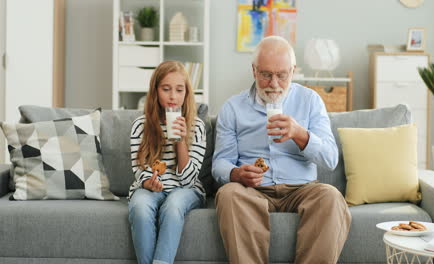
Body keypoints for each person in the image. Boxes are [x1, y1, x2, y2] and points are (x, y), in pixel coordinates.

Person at [212, 36, 351, 264]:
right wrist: (237, 174)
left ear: (293, 71)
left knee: (331, 197)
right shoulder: (233, 108)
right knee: (228, 194)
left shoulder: (310, 101)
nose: (274, 84)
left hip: (302, 188)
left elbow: (330, 158)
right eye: (266, 74)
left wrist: (300, 134)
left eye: (281, 75)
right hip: (253, 190)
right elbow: (220, 163)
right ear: (254, 71)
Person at [128, 61, 206, 264]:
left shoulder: (196, 126)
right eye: (166, 89)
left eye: (179, 90)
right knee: (140, 206)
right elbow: (140, 169)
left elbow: (189, 180)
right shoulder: (140, 125)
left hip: (185, 189)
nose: (173, 96)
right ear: (155, 92)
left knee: (173, 206)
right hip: (152, 187)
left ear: (187, 93)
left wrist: (180, 141)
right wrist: (148, 183)